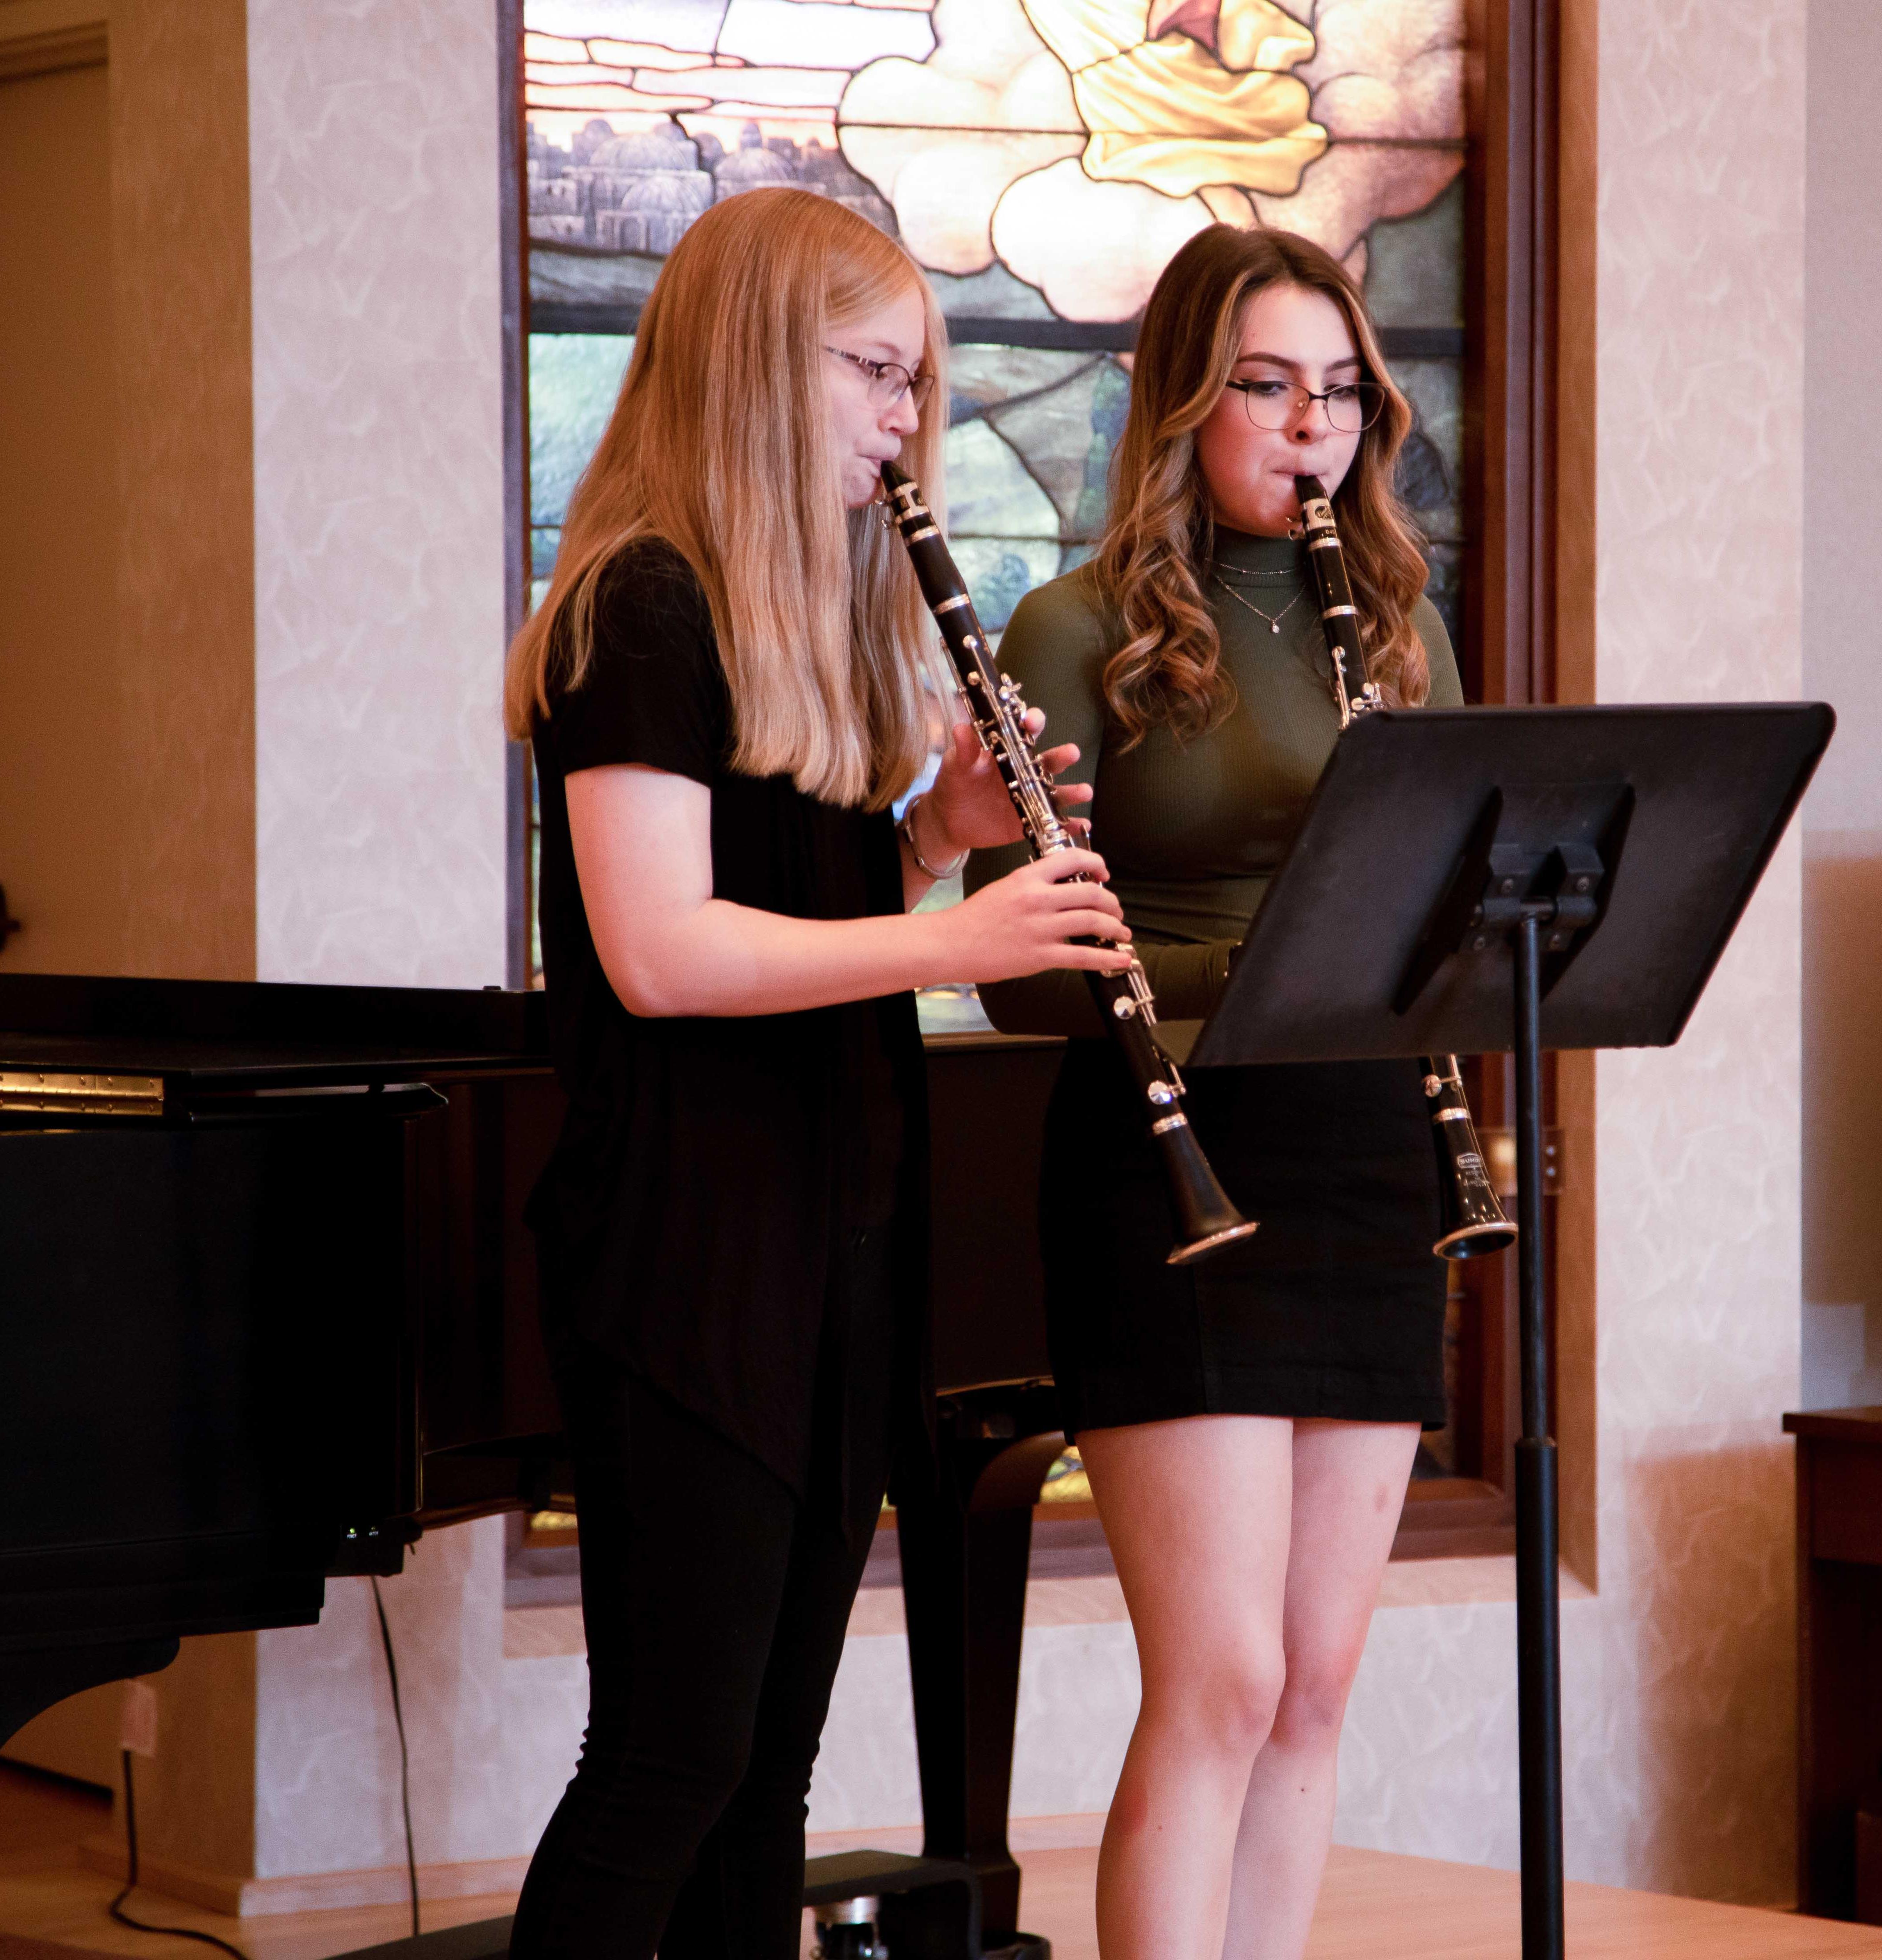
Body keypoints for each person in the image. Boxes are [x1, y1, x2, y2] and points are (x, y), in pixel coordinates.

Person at [498, 185, 1128, 1960]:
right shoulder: (641, 608)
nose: (900, 422)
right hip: (690, 1246)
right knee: (670, 1756)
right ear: (753, 367)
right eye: (870, 373)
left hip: (835, 1223)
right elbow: (662, 952)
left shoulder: (812, 624)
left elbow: (801, 903)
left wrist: (940, 833)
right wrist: (955, 943)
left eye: (914, 384)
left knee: (768, 1767)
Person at [965, 223, 1463, 1960]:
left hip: (1363, 1151)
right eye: (1263, 384)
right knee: (1226, 1674)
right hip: (1168, 1157)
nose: (1304, 426)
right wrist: (1243, 979)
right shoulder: (1072, 624)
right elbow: (1013, 964)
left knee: (1317, 1681)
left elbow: (1437, 905)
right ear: (1183, 402)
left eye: (1335, 390)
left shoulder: (1401, 628)